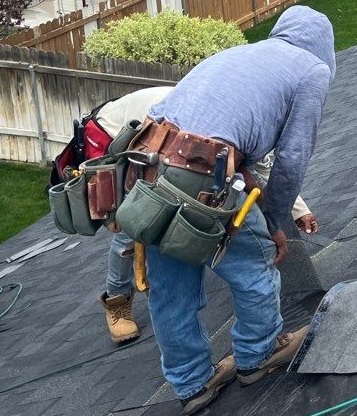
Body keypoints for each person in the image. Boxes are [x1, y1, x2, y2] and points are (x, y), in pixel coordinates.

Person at [142, 6, 334, 415]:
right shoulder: (311, 71)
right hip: (200, 175)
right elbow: (292, 159)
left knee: (170, 282)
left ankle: (192, 382)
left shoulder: (235, 56)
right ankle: (259, 353)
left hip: (144, 169)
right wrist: (275, 223)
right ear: (325, 47)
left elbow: (225, 134)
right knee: (253, 260)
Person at [87, 90, 321, 345]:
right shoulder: (213, 119)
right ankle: (117, 299)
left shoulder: (245, 120)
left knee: (193, 199)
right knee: (134, 221)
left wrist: (299, 210)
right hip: (114, 135)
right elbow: (249, 177)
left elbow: (263, 168)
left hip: (168, 143)